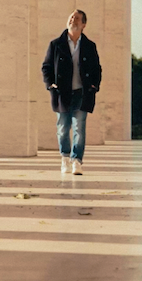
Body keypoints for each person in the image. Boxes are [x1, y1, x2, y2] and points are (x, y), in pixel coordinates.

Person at [42, 9, 102, 175]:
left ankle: (77, 161)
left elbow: (97, 69)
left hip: (82, 93)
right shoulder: (56, 44)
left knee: (79, 128)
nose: (73, 21)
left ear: (83, 25)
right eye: (71, 18)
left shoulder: (89, 46)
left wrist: (94, 86)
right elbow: (46, 67)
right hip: (62, 93)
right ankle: (65, 158)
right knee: (63, 128)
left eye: (77, 19)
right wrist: (50, 85)